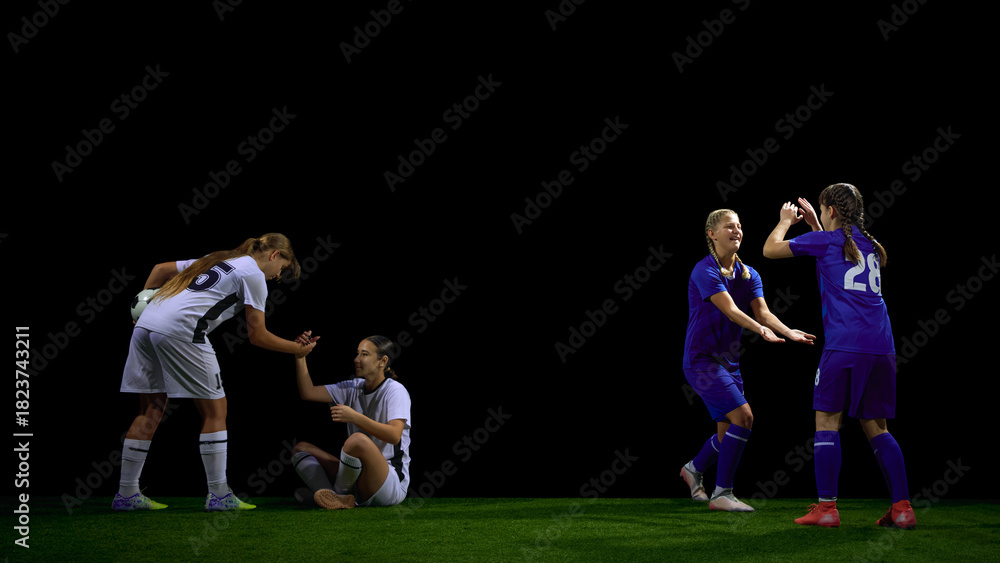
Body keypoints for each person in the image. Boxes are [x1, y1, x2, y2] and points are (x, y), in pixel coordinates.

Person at [114, 233, 315, 512]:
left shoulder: (222, 257)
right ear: (273, 255)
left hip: (147, 324)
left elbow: (160, 269)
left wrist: (142, 306)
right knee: (215, 410)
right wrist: (296, 350)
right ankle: (219, 495)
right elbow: (257, 336)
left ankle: (126, 494)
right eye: (280, 269)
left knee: (150, 410)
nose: (276, 276)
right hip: (182, 330)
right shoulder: (254, 274)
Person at [763, 183, 915, 529]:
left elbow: (770, 250)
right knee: (877, 427)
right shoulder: (871, 245)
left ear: (831, 209)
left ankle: (828, 508)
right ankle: (903, 508)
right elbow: (833, 258)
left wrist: (786, 220)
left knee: (827, 422)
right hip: (882, 347)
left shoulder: (828, 241)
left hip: (844, 344)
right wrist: (818, 225)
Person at [680, 209, 816, 512]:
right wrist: (761, 330)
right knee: (745, 417)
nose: (737, 231)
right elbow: (730, 310)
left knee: (727, 433)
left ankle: (692, 470)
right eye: (729, 226)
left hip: (729, 364)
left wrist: (788, 331)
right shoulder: (705, 270)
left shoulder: (749, 273)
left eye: (740, 226)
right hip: (701, 362)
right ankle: (722, 494)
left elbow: (763, 312)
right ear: (712, 234)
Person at [290, 334, 411, 510]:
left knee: (357, 440)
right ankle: (328, 495)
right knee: (300, 449)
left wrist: (355, 417)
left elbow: (393, 435)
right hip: (358, 476)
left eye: (364, 354)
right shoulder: (352, 387)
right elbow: (308, 392)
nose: (356, 359)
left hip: (390, 483)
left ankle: (339, 495)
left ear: (382, 361)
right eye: (357, 353)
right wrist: (300, 358)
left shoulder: (395, 391)